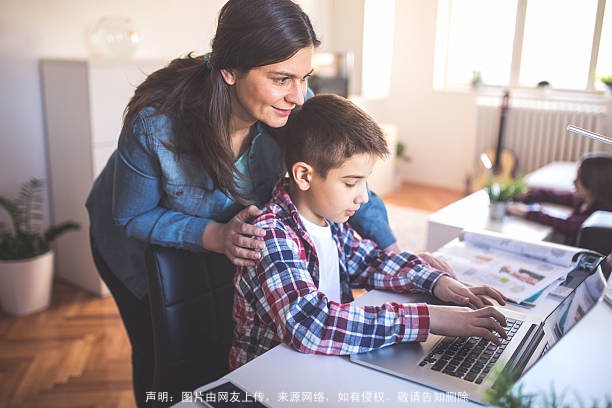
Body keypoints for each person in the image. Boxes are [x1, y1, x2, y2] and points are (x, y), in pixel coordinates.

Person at [230, 94, 508, 370]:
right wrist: (430, 318)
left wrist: (439, 283)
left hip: (324, 362)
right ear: (304, 176)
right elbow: (312, 326)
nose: (363, 197)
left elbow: (371, 261)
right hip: (269, 379)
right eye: (351, 183)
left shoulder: (330, 222)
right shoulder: (270, 235)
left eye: (365, 182)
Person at [507, 153, 612, 245]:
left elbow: (571, 225)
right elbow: (555, 196)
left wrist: (528, 212)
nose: (574, 181)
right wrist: (526, 194)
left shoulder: (604, 212)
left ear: (593, 182)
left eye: (579, 177)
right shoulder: (585, 199)